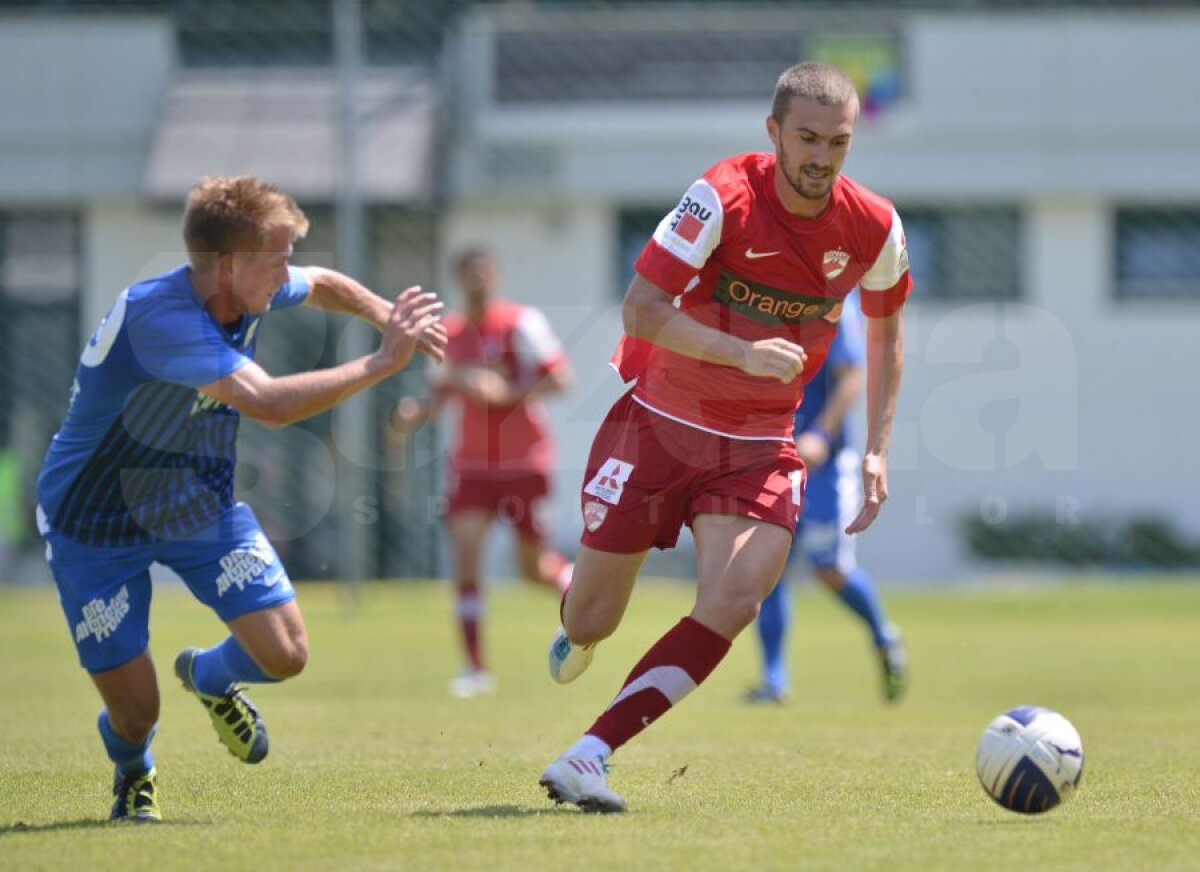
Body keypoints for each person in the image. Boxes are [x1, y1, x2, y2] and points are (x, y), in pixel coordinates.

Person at [538, 62, 912, 813]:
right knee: (592, 619)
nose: (821, 157)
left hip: (759, 445)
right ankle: (577, 622)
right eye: (806, 138)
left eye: (837, 142)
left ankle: (589, 754)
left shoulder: (874, 226)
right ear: (774, 132)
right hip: (659, 426)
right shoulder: (721, 196)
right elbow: (641, 309)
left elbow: (887, 335)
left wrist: (877, 447)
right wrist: (740, 352)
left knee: (737, 598)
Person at [35, 176, 446, 823]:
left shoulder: (245, 285)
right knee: (137, 714)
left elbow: (320, 282)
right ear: (228, 265)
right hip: (95, 519)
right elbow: (269, 404)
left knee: (285, 654)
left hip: (194, 502)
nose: (286, 273)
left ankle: (209, 676)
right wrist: (380, 363)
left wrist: (383, 314)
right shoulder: (162, 319)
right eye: (276, 259)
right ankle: (134, 770)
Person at [389, 246, 573, 699]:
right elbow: (441, 398)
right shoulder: (449, 334)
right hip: (472, 467)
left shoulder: (520, 323)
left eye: (484, 272)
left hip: (525, 462)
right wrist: (415, 412)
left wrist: (506, 392)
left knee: (532, 569)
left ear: (496, 276)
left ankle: (578, 592)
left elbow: (561, 379)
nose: (478, 281)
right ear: (458, 279)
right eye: (470, 273)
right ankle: (474, 669)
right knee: (466, 558)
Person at [747, 296, 908, 705]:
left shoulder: (835, 302)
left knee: (829, 570)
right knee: (768, 569)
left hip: (825, 467)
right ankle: (774, 680)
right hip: (773, 458)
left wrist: (820, 433)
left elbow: (853, 373)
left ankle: (883, 636)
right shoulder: (763, 293)